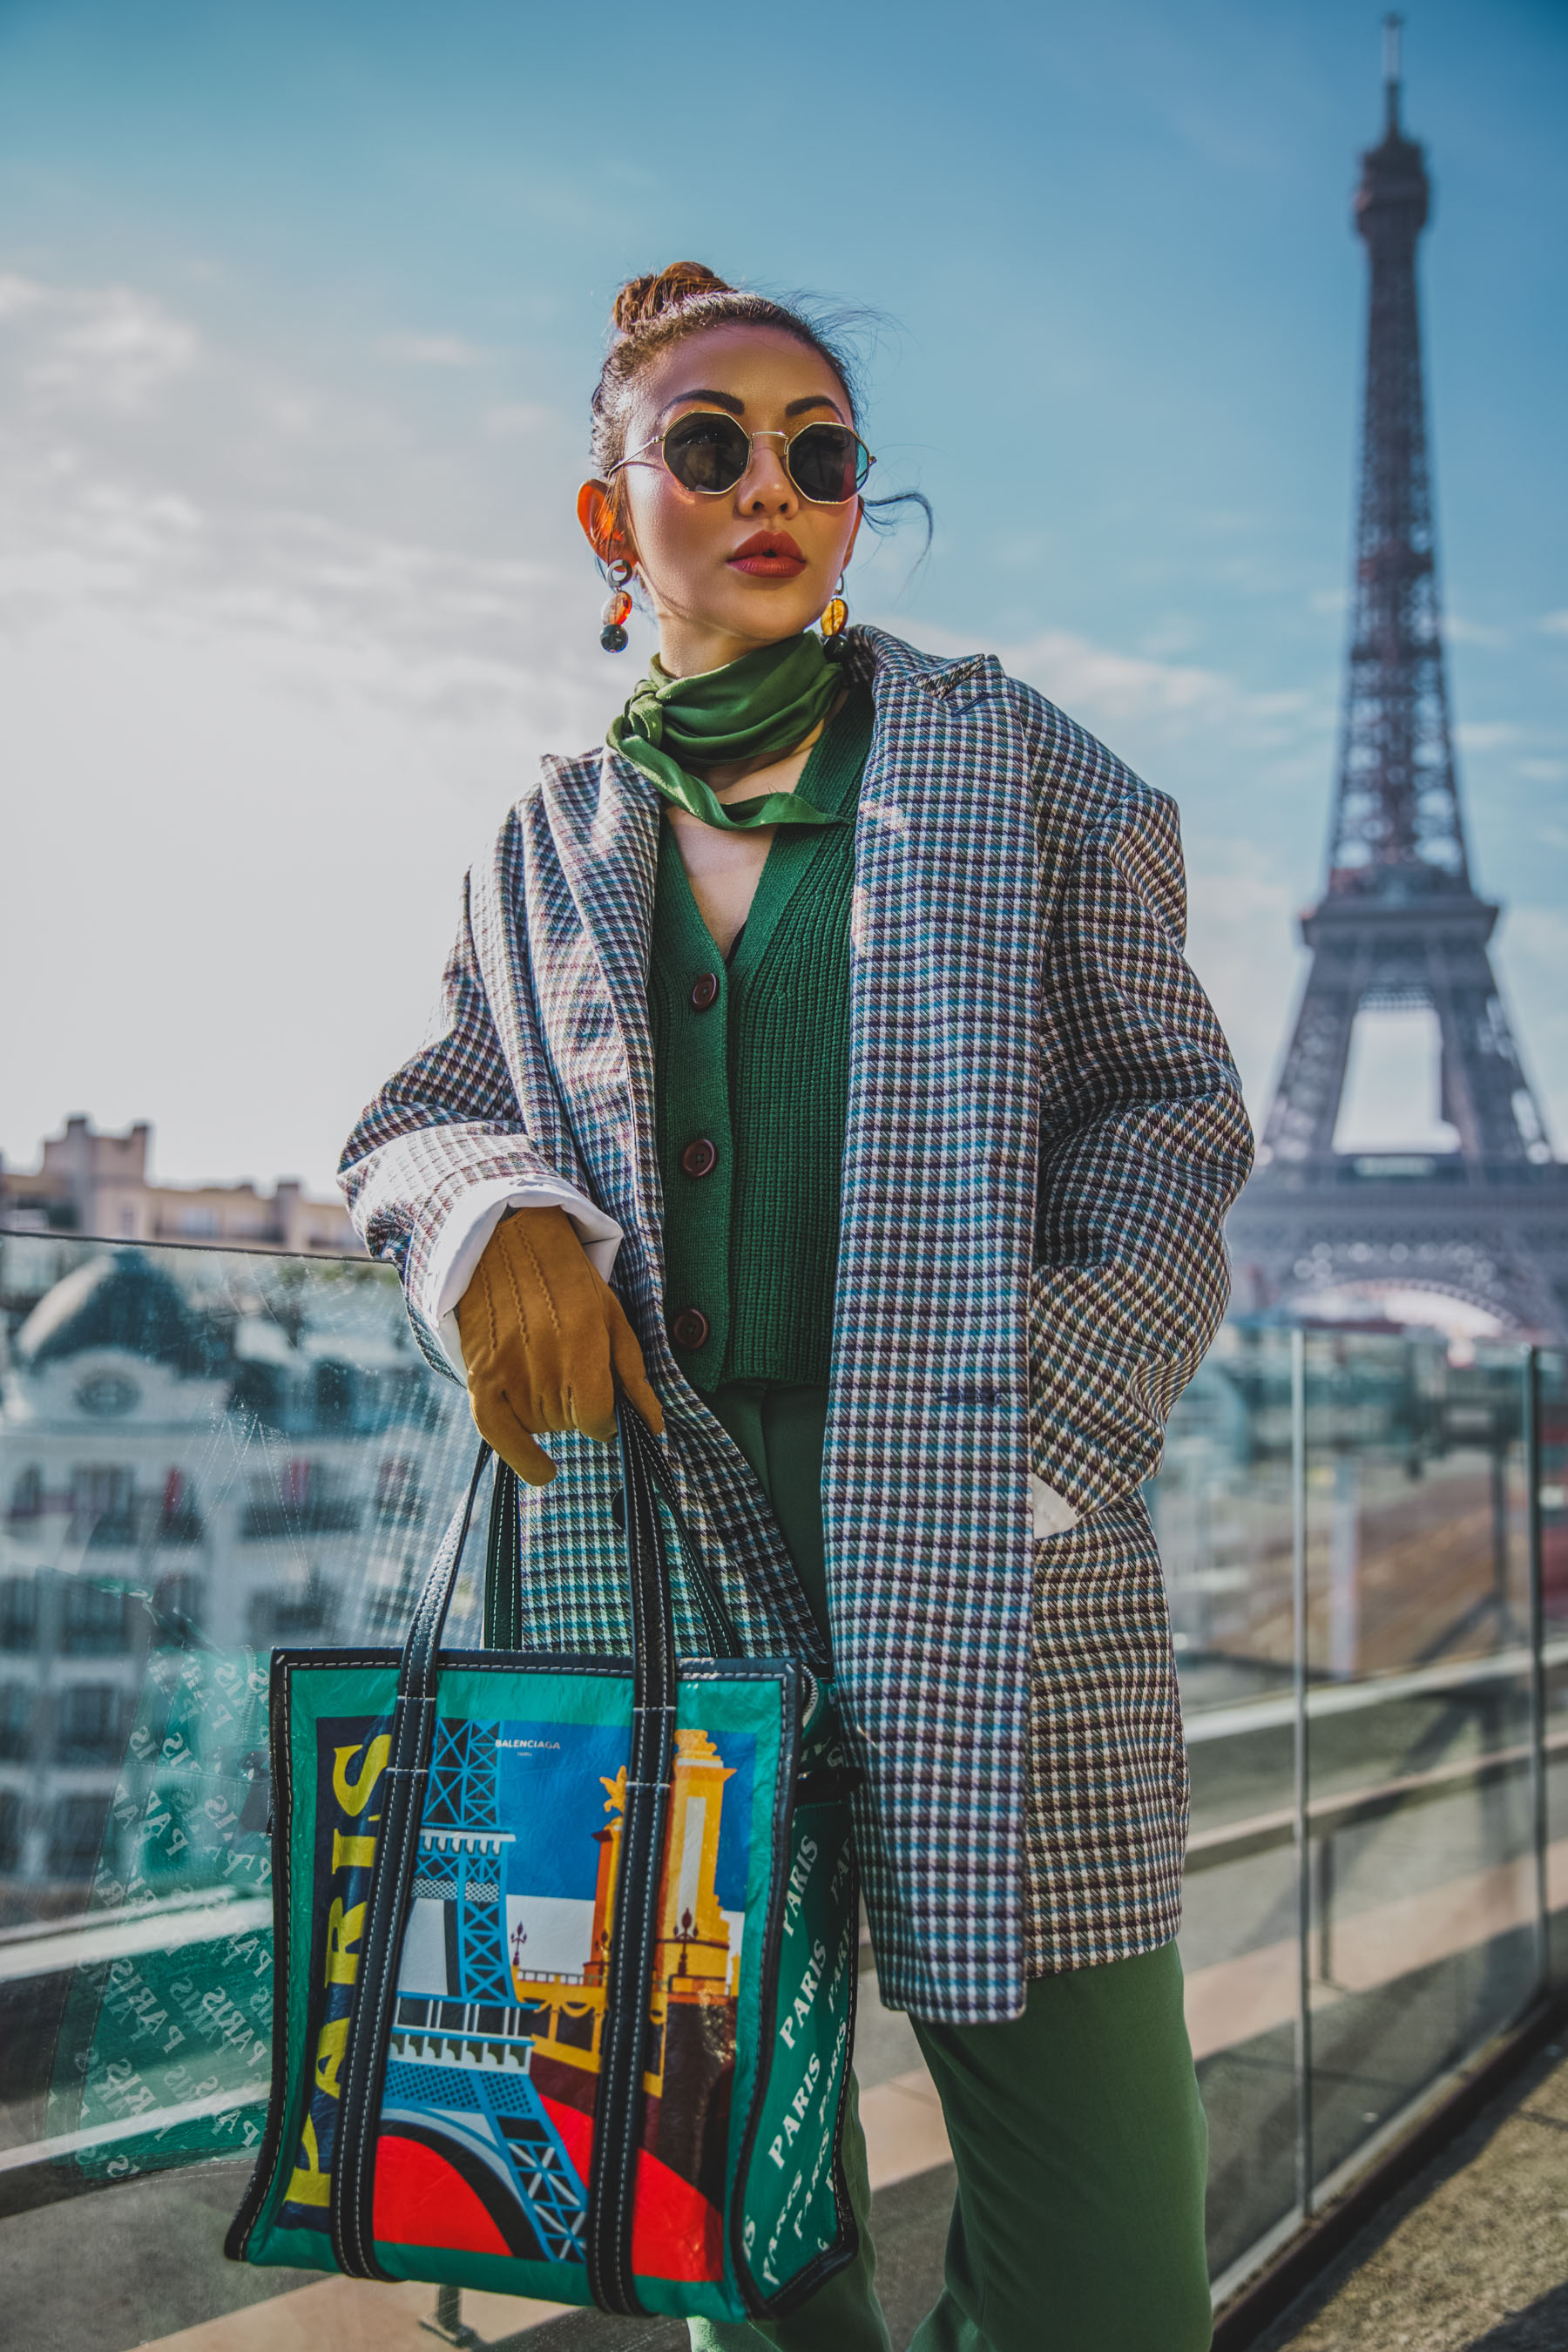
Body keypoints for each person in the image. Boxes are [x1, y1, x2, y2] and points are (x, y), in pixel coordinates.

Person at [340, 260, 1254, 2352]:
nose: (777, 485)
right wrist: (497, 1215)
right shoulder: (540, 844)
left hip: (987, 1544)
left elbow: (1171, 1119)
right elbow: (425, 1108)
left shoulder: (1025, 766)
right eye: (712, 443)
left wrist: (1037, 1440)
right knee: (730, 2220)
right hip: (655, 1560)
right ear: (607, 515)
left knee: (1110, 2264)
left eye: (823, 456)